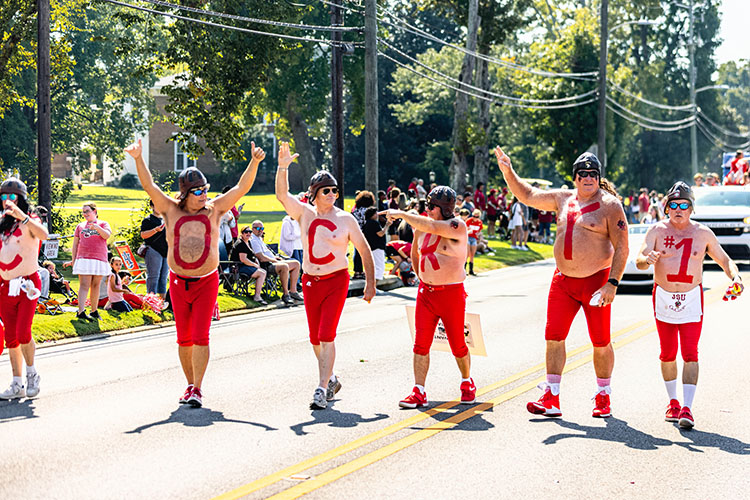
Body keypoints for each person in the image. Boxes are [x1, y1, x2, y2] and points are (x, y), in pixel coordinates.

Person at [125, 138, 265, 408]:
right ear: (185, 193)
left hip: (205, 282)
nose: (203, 195)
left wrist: (255, 162)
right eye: (197, 191)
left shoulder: (215, 210)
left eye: (205, 190)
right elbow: (149, 186)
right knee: (183, 338)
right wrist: (139, 157)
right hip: (178, 283)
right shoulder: (171, 211)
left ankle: (197, 388)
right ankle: (189, 384)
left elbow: (240, 188)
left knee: (200, 336)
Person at [495, 148, 628, 418]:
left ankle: (603, 395)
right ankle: (551, 396)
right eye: (583, 173)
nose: (587, 178)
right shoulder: (563, 198)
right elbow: (528, 195)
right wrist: (509, 171)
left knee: (601, 341)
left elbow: (622, 247)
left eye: (593, 174)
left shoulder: (610, 205)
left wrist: (612, 283)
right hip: (563, 282)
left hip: (596, 281)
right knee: (553, 337)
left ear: (599, 177)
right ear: (575, 177)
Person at [275, 142, 376, 410]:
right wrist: (282, 167)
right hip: (310, 282)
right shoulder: (304, 214)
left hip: (335, 281)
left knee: (326, 334)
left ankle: (320, 389)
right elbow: (282, 195)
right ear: (314, 194)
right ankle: (331, 378)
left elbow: (364, 250)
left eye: (334, 190)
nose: (332, 194)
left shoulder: (346, 219)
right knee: (314, 338)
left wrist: (371, 284)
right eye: (326, 191)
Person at [635, 182, 743, 429]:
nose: (678, 209)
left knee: (690, 353)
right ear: (666, 208)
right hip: (663, 296)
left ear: (691, 208)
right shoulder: (656, 230)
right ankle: (673, 401)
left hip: (692, 297)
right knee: (667, 353)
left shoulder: (703, 233)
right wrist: (646, 259)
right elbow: (640, 260)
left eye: (684, 204)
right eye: (673, 204)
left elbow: (725, 260)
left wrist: (735, 276)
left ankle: (687, 408)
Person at [383, 186, 475, 409]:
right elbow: (415, 252)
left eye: (432, 206)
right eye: (426, 205)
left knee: (457, 344)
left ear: (444, 209)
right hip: (426, 293)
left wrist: (404, 214)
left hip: (451, 293)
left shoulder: (457, 226)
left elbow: (435, 226)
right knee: (420, 344)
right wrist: (421, 275)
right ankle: (419, 390)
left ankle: (466, 381)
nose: (428, 209)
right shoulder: (421, 227)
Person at [0, 178, 48, 400]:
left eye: (12, 197)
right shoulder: (1, 222)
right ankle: (17, 382)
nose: (7, 201)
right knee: (11, 337)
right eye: (3, 197)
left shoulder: (31, 220)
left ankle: (32, 374)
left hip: (28, 284)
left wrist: (24, 217)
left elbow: (44, 235)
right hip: (5, 286)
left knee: (22, 332)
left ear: (20, 198)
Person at [66, 202, 112, 321]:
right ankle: (81, 311)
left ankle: (94, 310)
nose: (85, 214)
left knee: (96, 285)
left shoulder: (103, 223)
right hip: (84, 259)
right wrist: (73, 260)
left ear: (94, 211)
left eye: (87, 211)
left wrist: (96, 227)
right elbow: (75, 244)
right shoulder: (80, 226)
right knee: (84, 285)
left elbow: (106, 236)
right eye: (83, 211)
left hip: (99, 259)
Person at [249, 220, 303, 305]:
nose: (260, 230)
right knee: (284, 266)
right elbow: (261, 258)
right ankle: (285, 294)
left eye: (262, 228)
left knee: (296, 263)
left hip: (273, 261)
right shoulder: (253, 240)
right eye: (258, 228)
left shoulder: (259, 239)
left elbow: (267, 253)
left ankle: (293, 291)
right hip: (266, 265)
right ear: (253, 229)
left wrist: (276, 258)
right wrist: (274, 260)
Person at [231, 226, 268, 305]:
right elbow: (243, 259)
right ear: (242, 233)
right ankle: (257, 296)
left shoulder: (248, 242)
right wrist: (254, 265)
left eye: (250, 232)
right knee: (262, 273)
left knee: (263, 271)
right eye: (246, 232)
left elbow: (251, 255)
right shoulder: (241, 243)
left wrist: (256, 261)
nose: (248, 233)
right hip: (239, 267)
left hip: (246, 265)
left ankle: (258, 294)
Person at [140, 200, 169, 299]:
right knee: (153, 277)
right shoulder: (148, 220)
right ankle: (151, 301)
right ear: (152, 206)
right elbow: (143, 235)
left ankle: (162, 301)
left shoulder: (165, 219)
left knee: (163, 277)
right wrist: (155, 230)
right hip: (153, 250)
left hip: (165, 251)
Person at [362, 207, 391, 280]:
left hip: (371, 247)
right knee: (379, 267)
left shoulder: (366, 223)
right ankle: (375, 286)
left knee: (373, 267)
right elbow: (380, 233)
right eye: (375, 213)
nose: (377, 215)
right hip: (377, 247)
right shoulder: (374, 223)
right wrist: (387, 225)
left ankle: (372, 286)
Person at [464, 208, 483, 276]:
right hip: (468, 237)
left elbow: (480, 230)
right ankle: (464, 270)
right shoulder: (469, 220)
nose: (475, 218)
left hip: (474, 238)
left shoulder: (479, 222)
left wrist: (479, 236)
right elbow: (464, 229)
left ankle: (471, 270)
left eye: (477, 217)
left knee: (472, 254)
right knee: (467, 254)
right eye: (474, 216)